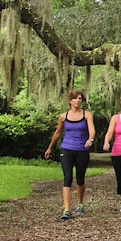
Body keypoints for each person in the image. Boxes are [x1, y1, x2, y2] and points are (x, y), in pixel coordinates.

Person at [44, 89, 96, 220]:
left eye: (80, 98)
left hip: (82, 150)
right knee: (67, 177)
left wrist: (90, 139)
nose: (78, 100)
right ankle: (66, 209)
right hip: (66, 148)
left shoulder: (87, 115)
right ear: (70, 101)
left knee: (80, 178)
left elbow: (92, 129)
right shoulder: (63, 116)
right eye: (75, 98)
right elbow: (58, 133)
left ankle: (80, 203)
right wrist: (50, 148)